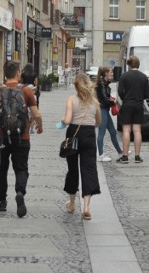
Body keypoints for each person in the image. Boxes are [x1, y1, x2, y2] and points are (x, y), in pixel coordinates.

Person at [0, 60, 43, 217]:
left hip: (2, 137)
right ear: (18, 74)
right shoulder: (26, 91)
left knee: (1, 169)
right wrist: (39, 125)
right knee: (21, 168)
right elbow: (36, 114)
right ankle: (20, 192)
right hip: (22, 137)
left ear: (4, 74)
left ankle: (2, 201)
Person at [59, 73, 102, 219]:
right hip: (89, 135)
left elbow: (68, 119)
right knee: (89, 169)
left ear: (76, 86)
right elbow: (98, 122)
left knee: (73, 170)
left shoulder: (71, 99)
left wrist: (63, 121)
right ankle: (86, 206)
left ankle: (72, 203)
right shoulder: (94, 102)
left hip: (74, 134)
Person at [116, 56, 149, 164]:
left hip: (127, 104)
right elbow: (146, 94)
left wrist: (125, 98)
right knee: (137, 130)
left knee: (126, 130)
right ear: (138, 64)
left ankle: (125, 157)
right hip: (139, 105)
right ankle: (137, 156)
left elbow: (120, 91)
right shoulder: (144, 77)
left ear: (129, 65)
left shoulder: (124, 76)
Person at [95, 67, 123, 162]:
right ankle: (100, 155)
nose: (112, 74)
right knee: (101, 133)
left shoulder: (105, 84)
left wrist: (111, 100)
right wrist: (113, 102)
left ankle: (120, 152)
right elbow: (104, 99)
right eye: (111, 72)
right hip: (102, 110)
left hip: (105, 110)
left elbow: (105, 98)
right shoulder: (101, 84)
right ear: (106, 73)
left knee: (113, 132)